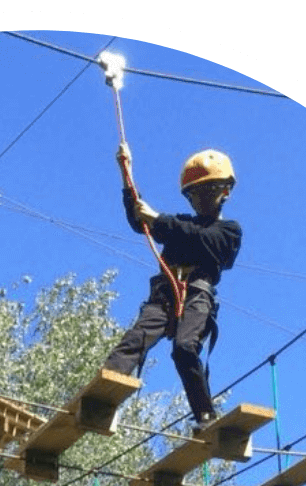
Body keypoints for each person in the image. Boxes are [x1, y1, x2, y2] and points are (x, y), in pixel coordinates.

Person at [103, 146, 242, 431]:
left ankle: (205, 416)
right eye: (194, 194)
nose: (200, 199)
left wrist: (158, 219)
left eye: (207, 192)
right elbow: (140, 221)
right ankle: (104, 396)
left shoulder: (228, 231)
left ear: (224, 192)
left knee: (184, 348)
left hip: (197, 294)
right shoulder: (179, 224)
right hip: (165, 294)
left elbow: (205, 240)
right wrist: (126, 174)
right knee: (136, 339)